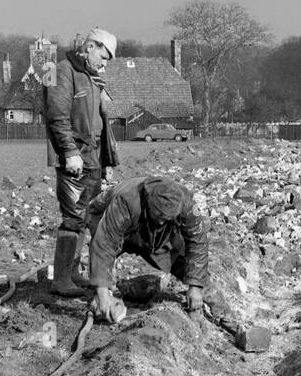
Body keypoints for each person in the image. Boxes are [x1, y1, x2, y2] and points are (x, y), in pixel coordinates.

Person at [44, 28, 119, 297]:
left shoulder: (92, 78)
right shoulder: (61, 71)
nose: (105, 62)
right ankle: (61, 279)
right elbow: (57, 115)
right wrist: (69, 151)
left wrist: (107, 160)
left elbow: (101, 124)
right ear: (90, 46)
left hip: (93, 159)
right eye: (104, 55)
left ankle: (73, 274)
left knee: (88, 217)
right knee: (73, 218)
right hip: (74, 157)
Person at [82, 176, 209, 323]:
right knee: (104, 266)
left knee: (186, 266)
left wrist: (196, 285)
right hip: (109, 219)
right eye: (159, 215)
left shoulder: (185, 203)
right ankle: (102, 298)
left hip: (151, 232)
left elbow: (197, 241)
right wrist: (102, 292)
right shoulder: (126, 201)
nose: (162, 220)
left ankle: (227, 322)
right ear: (149, 203)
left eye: (167, 218)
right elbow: (105, 242)